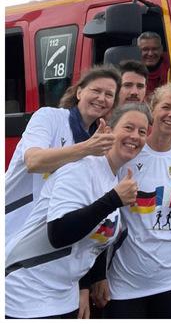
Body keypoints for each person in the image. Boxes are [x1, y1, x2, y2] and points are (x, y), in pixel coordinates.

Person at [4, 103, 149, 320]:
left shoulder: (114, 177)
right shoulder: (80, 168)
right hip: (27, 294)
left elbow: (95, 240)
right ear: (108, 131)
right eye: (128, 128)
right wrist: (113, 200)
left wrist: (84, 286)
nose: (135, 136)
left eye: (142, 131)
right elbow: (59, 233)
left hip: (64, 297)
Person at [104, 84, 171, 317]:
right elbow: (104, 216)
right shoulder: (128, 153)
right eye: (166, 107)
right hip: (125, 281)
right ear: (152, 109)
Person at [5, 66, 120, 239]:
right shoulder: (48, 117)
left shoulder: (99, 139)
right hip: (10, 223)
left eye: (109, 94)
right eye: (96, 90)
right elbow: (34, 161)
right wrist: (87, 148)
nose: (102, 98)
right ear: (79, 92)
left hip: (40, 238)